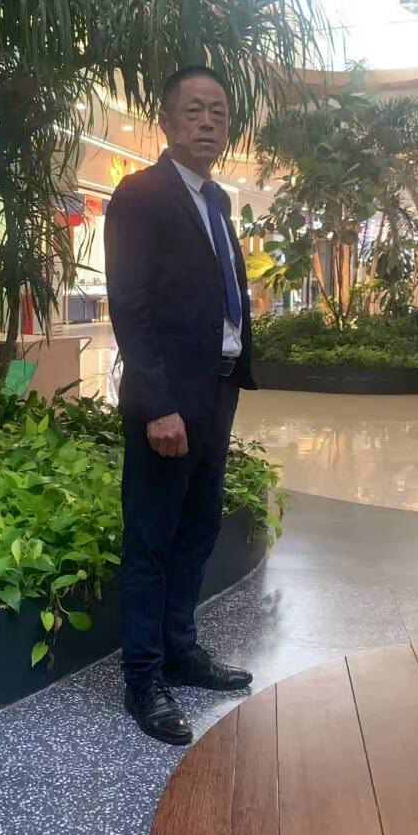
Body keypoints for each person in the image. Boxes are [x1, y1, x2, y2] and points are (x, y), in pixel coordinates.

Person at [104, 67, 257, 745]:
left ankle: (179, 649)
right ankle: (143, 677)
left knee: (197, 528)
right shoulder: (141, 195)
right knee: (152, 537)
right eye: (194, 110)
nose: (208, 122)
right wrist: (157, 404)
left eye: (218, 112)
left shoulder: (216, 200)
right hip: (168, 398)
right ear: (166, 121)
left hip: (216, 389)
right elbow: (131, 307)